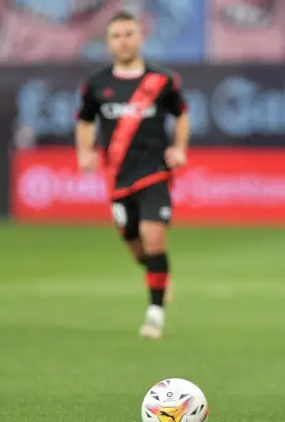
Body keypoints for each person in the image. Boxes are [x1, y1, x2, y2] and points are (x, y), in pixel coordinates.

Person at [75, 11, 189, 340]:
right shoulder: (97, 85)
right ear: (108, 42)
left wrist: (179, 148)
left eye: (129, 34)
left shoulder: (162, 80)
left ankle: (154, 315)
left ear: (141, 37)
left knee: (154, 237)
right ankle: (159, 275)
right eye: (116, 35)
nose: (123, 40)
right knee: (138, 249)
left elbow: (181, 115)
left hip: (154, 173)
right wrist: (84, 150)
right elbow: (84, 120)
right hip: (118, 178)